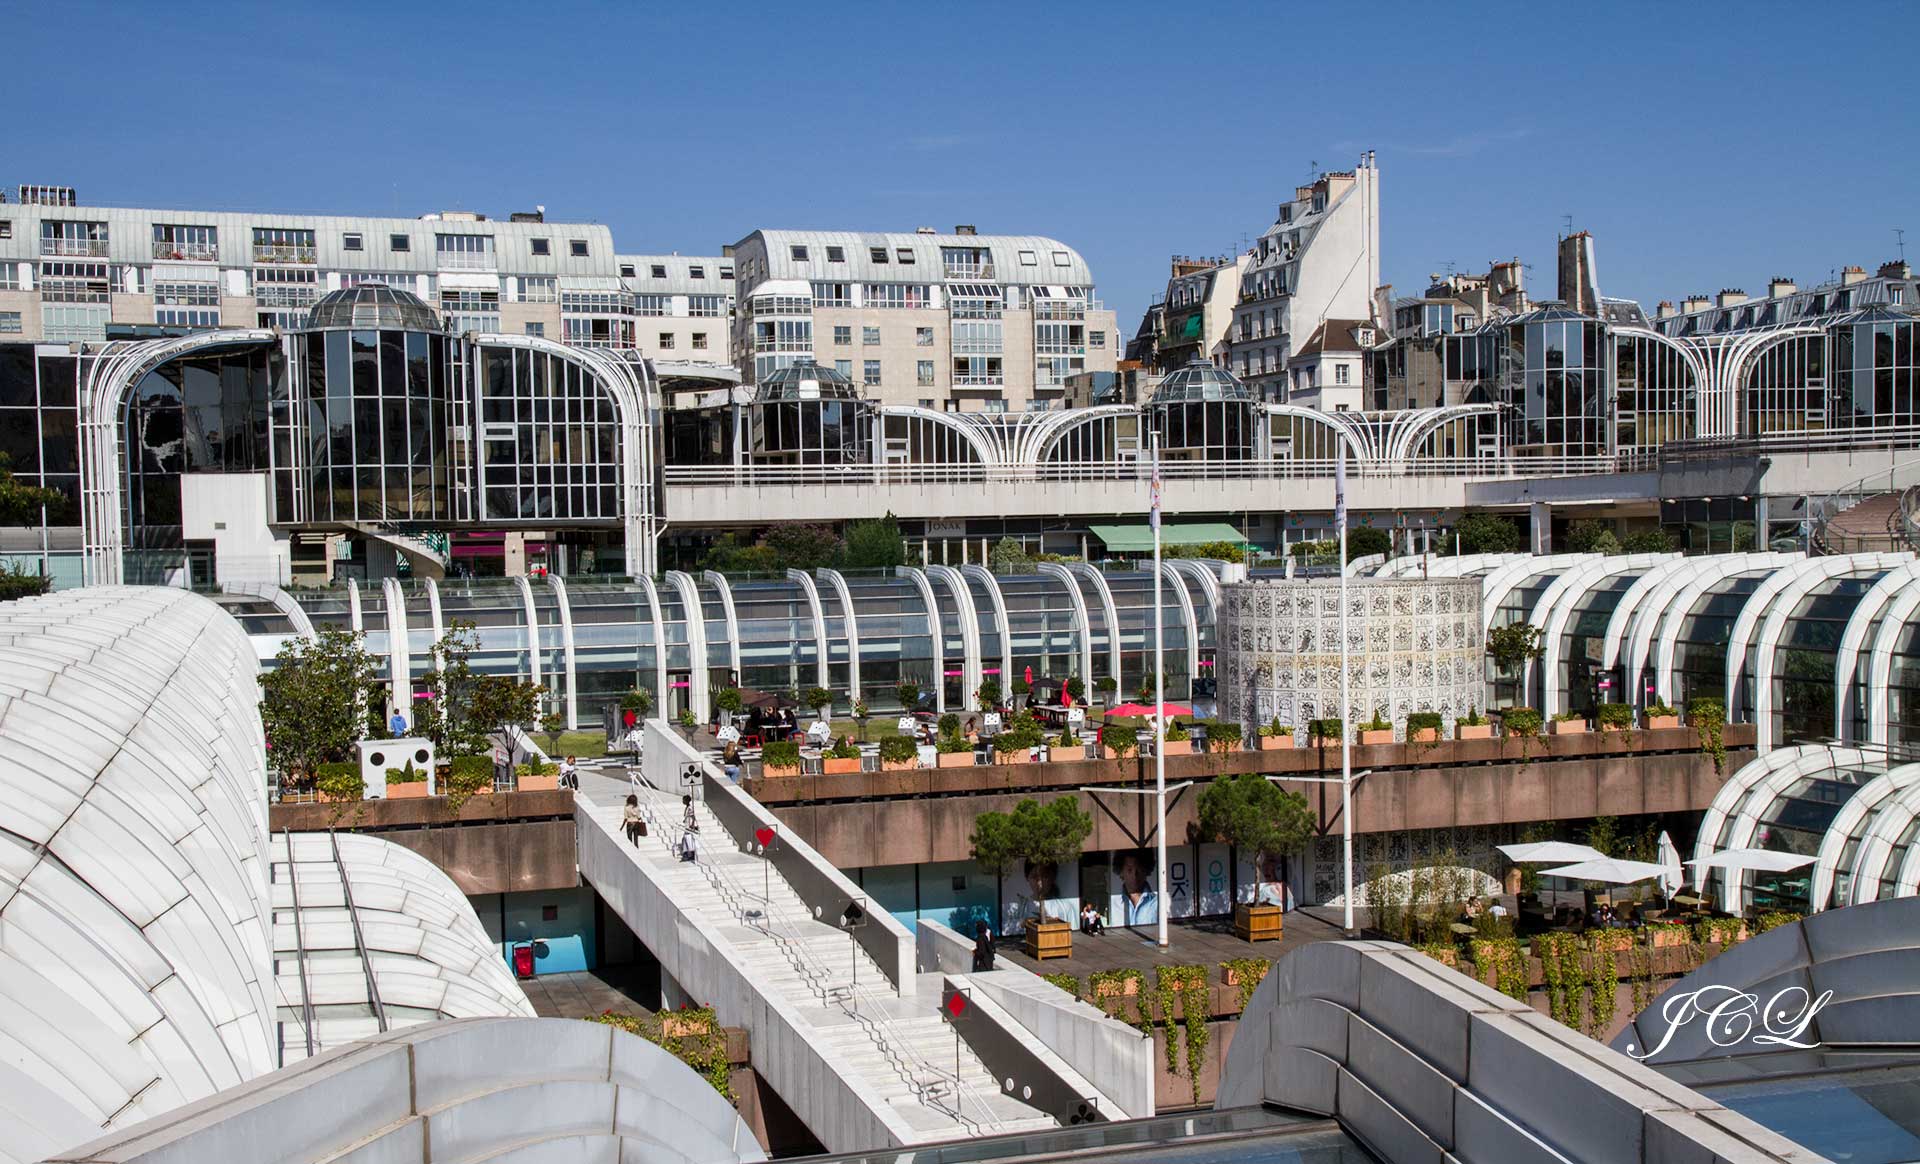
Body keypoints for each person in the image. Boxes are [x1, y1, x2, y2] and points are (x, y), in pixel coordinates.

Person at [1115, 849, 1159, 926]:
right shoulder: (1114, 903)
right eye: (1129, 870)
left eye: (1139, 869)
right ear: (1121, 872)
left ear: (1146, 870)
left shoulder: (1157, 902)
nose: (1134, 875)